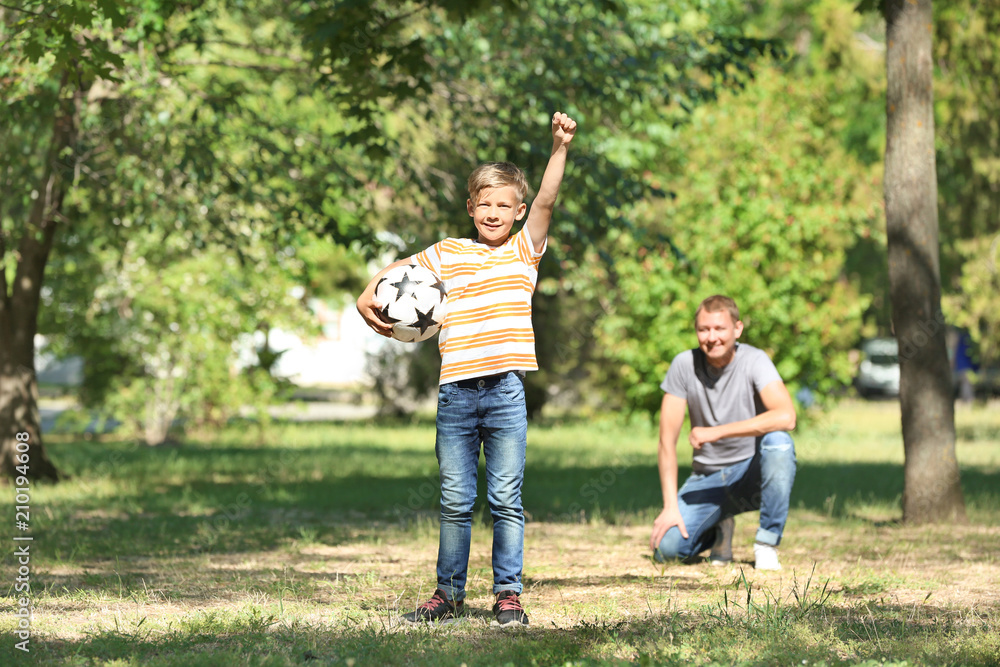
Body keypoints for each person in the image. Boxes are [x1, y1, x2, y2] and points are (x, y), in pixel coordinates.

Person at [357, 112, 578, 625]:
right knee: (455, 500)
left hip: (505, 392)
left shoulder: (526, 251)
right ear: (472, 208)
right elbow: (391, 278)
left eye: (505, 205)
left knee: (505, 497)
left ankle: (508, 595)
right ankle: (449, 594)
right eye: (486, 204)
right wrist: (366, 300)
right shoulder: (448, 252)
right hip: (456, 393)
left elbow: (547, 199)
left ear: (519, 211)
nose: (495, 212)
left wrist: (559, 148)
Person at [649, 295, 797, 570]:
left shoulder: (755, 360)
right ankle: (720, 526)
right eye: (704, 329)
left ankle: (766, 543)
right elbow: (666, 443)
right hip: (707, 479)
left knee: (779, 442)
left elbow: (786, 416)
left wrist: (717, 433)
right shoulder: (684, 365)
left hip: (750, 473)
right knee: (667, 549)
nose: (711, 337)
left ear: (737, 329)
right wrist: (670, 507)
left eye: (720, 329)